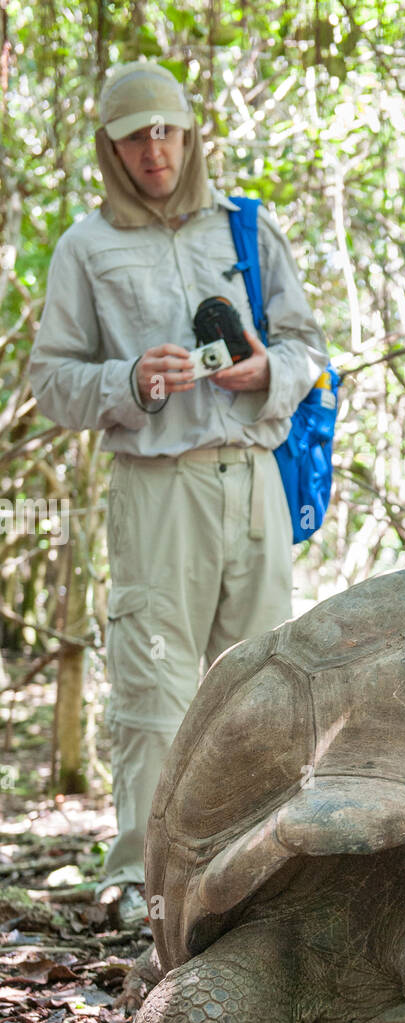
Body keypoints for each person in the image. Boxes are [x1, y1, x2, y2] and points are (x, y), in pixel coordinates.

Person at [29, 61, 329, 924]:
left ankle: (269, 875)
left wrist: (269, 367)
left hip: (253, 476)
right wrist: (131, 380)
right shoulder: (86, 247)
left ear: (190, 135)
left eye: (166, 130)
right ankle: (146, 883)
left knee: (265, 686)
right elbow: (52, 381)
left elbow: (308, 347)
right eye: (135, 136)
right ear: (110, 147)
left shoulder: (247, 227)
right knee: (153, 692)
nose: (154, 150)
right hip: (157, 487)